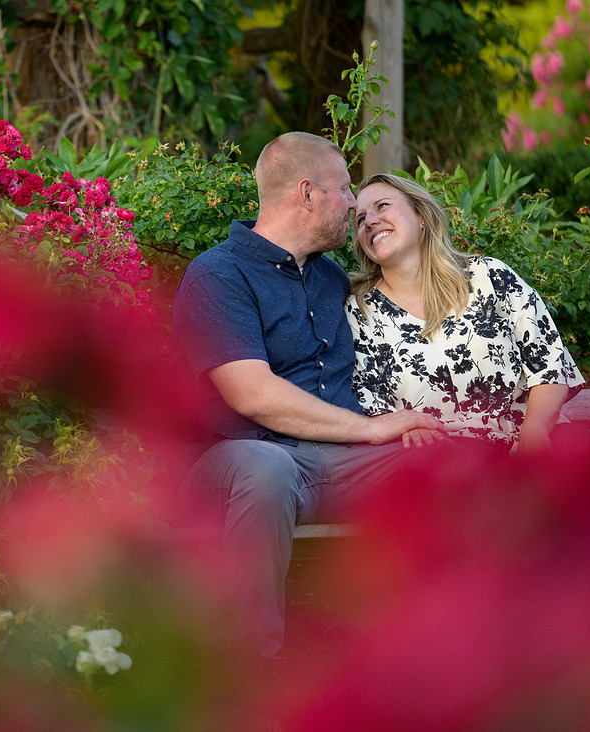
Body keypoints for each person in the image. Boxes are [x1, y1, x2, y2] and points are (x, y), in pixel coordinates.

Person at [171, 132, 444, 664]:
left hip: (339, 463)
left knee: (442, 459)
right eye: (344, 189)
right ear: (307, 193)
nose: (353, 204)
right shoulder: (218, 275)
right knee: (266, 468)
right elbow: (252, 394)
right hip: (243, 460)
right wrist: (371, 428)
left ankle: (436, 655)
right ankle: (249, 666)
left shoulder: (330, 278)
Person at [346, 173, 583, 455]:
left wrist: (535, 430)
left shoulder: (489, 276)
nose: (370, 222)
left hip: (536, 443)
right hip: (442, 461)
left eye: (382, 206)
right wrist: (407, 428)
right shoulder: (359, 312)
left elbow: (549, 364)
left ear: (421, 216)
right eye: (360, 219)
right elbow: (371, 402)